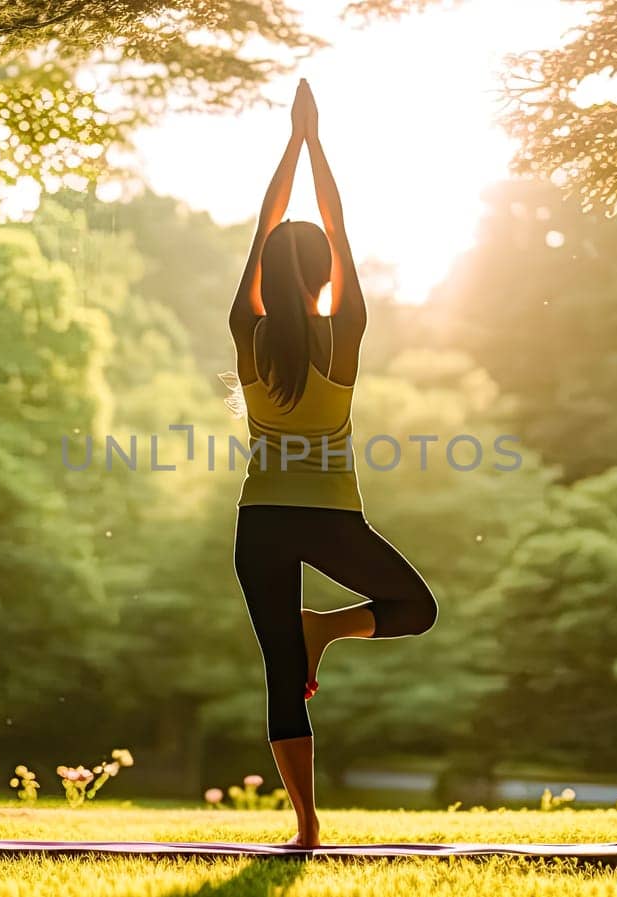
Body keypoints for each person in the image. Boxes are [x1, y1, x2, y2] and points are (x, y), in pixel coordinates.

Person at [228, 79, 439, 849]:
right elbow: (336, 227)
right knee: (416, 609)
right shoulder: (344, 328)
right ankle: (329, 630)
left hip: (263, 524)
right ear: (324, 278)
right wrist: (315, 144)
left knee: (284, 671)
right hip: (331, 519)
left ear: (267, 277)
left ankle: (307, 828)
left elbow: (263, 228)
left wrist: (287, 146)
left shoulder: (244, 330)